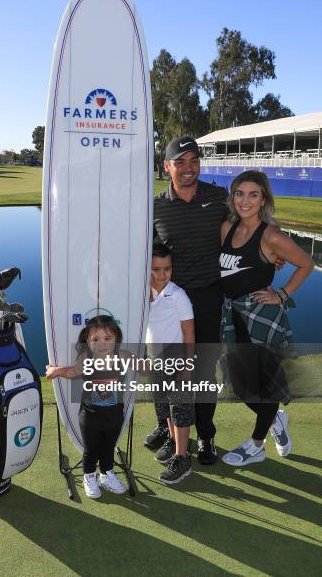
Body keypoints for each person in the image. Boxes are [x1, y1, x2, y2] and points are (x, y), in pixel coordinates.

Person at [219, 170, 314, 466]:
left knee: (265, 384)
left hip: (262, 318)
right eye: (239, 194)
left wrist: (282, 295)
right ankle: (275, 419)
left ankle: (257, 446)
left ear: (263, 200)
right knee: (238, 383)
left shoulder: (271, 235)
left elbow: (307, 263)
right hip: (233, 317)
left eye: (253, 194)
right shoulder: (227, 229)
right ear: (232, 197)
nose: (245, 201)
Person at [149, 136, 228, 465]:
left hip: (209, 295)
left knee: (204, 370)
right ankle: (170, 429)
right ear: (166, 167)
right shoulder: (156, 205)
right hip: (171, 300)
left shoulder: (218, 197)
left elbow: (248, 227)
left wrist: (271, 250)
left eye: (193, 160)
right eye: (179, 161)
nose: (187, 168)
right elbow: (147, 253)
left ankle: (206, 436)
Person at [45, 315, 128, 499]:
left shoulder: (123, 355)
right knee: (90, 450)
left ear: (116, 338)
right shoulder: (86, 358)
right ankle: (89, 477)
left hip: (115, 415)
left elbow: (142, 366)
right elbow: (71, 371)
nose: (102, 344)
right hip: (90, 416)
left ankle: (106, 474)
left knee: (108, 447)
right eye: (95, 339)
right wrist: (55, 371)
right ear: (87, 341)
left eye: (108, 338)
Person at [145, 244, 195, 484]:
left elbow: (189, 333)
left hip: (177, 364)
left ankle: (182, 458)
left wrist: (187, 367)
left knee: (180, 410)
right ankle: (174, 441)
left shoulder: (178, 296)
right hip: (157, 361)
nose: (162, 275)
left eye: (167, 269)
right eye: (156, 269)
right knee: (164, 407)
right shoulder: (146, 294)